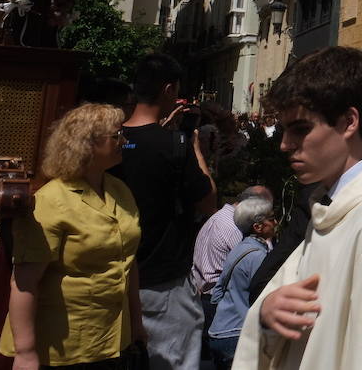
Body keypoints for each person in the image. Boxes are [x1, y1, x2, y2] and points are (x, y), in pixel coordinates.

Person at [233, 46, 362, 369]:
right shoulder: (332, 208)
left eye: (300, 129)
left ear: (349, 122)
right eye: (284, 130)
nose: (284, 144)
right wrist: (267, 314)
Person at [1, 103, 144, 368]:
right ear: (87, 144)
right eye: (117, 136)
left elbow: (128, 260)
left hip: (112, 339)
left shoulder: (119, 190)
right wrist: (25, 352)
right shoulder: (50, 201)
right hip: (63, 347)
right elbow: (24, 282)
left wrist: (136, 323)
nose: (124, 141)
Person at [109, 53, 217, 370]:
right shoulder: (175, 145)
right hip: (161, 280)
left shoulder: (108, 142)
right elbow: (207, 202)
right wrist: (193, 147)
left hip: (111, 276)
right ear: (169, 89)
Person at [193, 186, 273, 355]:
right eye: (271, 217)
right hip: (232, 314)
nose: (275, 222)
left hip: (214, 307)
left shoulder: (218, 219)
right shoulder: (237, 232)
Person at [207, 198, 279, 369]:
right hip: (236, 333)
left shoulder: (240, 248)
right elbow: (262, 298)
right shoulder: (258, 257)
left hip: (219, 331)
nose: (276, 222)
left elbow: (218, 292)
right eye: (272, 218)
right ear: (258, 227)